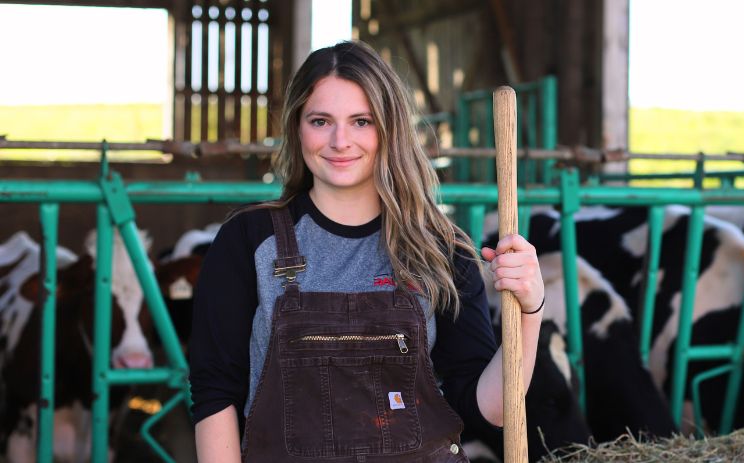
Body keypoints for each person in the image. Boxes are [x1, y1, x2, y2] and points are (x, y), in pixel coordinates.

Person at [188, 40, 545, 462]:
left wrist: (529, 308)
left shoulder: (441, 250)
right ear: (296, 127)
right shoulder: (248, 241)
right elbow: (215, 393)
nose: (341, 141)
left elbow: (490, 407)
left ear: (390, 129)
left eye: (361, 121)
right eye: (321, 121)